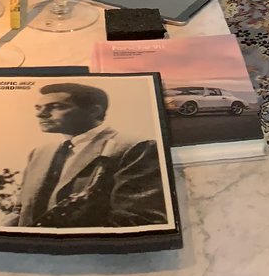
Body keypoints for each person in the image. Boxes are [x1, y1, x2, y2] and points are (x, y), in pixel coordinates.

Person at [10, 82, 168, 228]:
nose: (41, 114)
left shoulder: (135, 148)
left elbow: (137, 219)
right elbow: (20, 211)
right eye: (38, 108)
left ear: (94, 111)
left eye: (56, 107)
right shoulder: (39, 153)